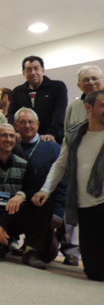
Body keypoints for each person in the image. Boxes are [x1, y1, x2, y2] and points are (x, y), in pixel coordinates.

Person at [33, 90, 104, 281]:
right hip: (84, 205)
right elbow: (60, 164)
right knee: (95, 272)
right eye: (103, 105)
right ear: (88, 108)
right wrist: (46, 189)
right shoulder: (73, 135)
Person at [0, 124, 53, 269]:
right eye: (4, 135)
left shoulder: (24, 164)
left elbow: (34, 189)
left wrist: (21, 195)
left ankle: (32, 250)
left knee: (48, 253)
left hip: (16, 213)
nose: (9, 139)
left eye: (12, 136)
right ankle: (2, 241)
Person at [14, 107, 66, 263]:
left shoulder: (52, 147)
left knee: (47, 255)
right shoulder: (10, 143)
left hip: (41, 206)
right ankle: (9, 240)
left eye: (31, 122)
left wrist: (58, 211)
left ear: (37, 125)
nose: (27, 126)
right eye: (22, 122)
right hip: (14, 202)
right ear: (16, 125)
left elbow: (62, 182)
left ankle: (33, 249)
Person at [8, 55, 67, 143]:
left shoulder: (57, 87)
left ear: (43, 70)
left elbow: (59, 113)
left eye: (36, 68)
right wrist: (15, 132)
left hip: (50, 139)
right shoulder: (18, 91)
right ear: (24, 73)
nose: (33, 72)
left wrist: (52, 133)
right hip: (23, 140)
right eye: (29, 70)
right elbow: (12, 114)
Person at [65, 65, 103, 132]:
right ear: (79, 85)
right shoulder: (73, 107)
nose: (91, 82)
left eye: (94, 78)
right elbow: (67, 134)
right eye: (86, 80)